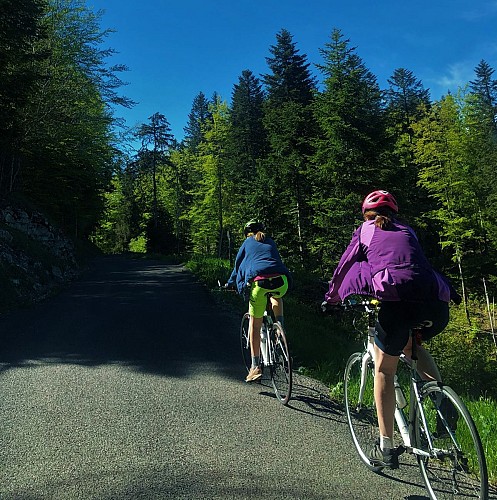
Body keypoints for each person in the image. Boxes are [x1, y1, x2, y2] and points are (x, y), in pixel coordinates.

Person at [322, 190, 461, 469]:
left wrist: (331, 299)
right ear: (394, 212)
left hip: (399, 304)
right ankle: (441, 399)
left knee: (385, 369)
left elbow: (345, 266)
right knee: (412, 346)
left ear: (366, 214)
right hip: (435, 304)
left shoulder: (365, 230)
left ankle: (386, 446)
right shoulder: (408, 230)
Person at [227, 220, 290, 383]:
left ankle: (255, 367)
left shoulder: (247, 243)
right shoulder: (270, 241)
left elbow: (238, 266)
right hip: (281, 281)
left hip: (260, 284)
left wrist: (231, 282)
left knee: (254, 326)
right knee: (276, 295)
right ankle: (280, 328)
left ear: (247, 233)